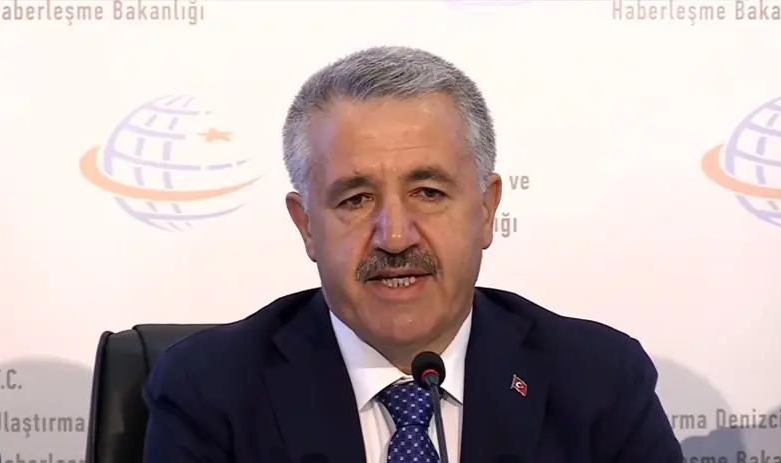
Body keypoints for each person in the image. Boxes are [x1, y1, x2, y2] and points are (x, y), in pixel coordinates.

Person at [143, 46, 683, 463]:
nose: (395, 237)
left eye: (428, 192)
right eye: (356, 199)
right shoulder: (211, 389)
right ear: (306, 225)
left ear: (486, 210)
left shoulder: (598, 380)